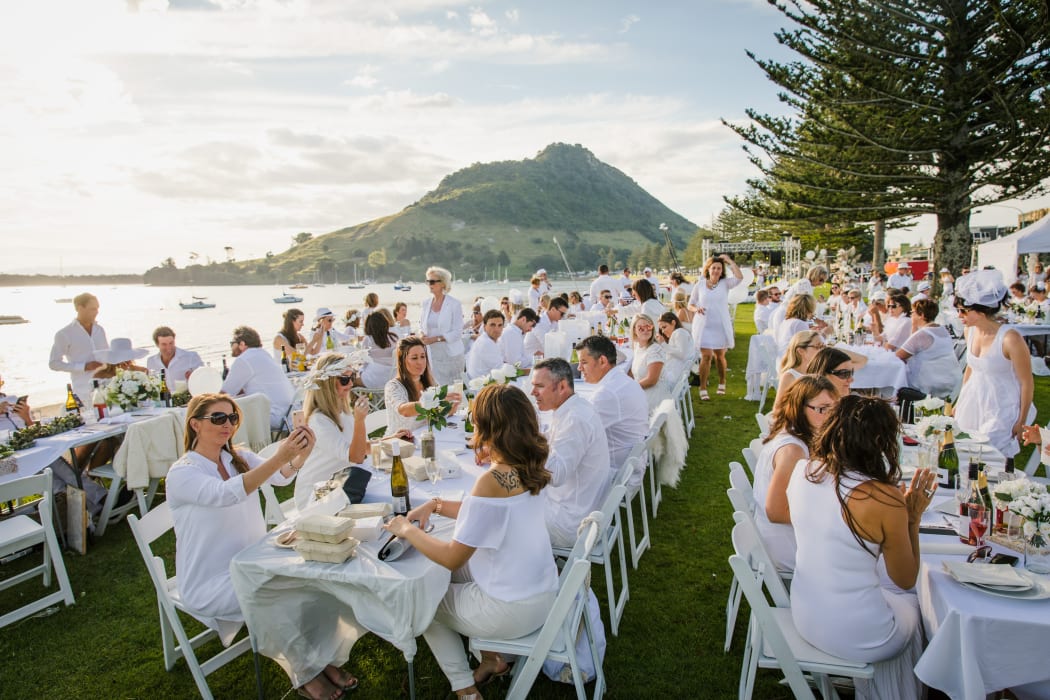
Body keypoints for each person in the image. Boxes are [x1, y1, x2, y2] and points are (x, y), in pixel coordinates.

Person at [166, 394, 359, 700]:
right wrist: (281, 456)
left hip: (253, 560)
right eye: (218, 418)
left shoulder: (236, 457)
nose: (227, 424)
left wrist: (302, 453)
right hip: (210, 579)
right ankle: (308, 673)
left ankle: (323, 660)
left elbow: (282, 477)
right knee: (275, 596)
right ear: (195, 424)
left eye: (232, 418)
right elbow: (225, 494)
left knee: (310, 582)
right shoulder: (183, 472)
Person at [383, 384, 558, 700]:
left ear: (491, 427)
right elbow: (487, 511)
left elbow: (452, 557)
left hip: (512, 609)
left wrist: (407, 530)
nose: (472, 425)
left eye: (475, 420)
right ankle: (492, 661)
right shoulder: (528, 464)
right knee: (441, 580)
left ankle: (465, 690)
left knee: (426, 598)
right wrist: (435, 504)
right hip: (543, 594)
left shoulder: (490, 481)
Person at [787, 395, 933, 700]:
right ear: (881, 441)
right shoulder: (883, 497)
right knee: (919, 606)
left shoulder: (803, 471)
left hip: (806, 615)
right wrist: (912, 518)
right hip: (861, 634)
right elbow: (905, 578)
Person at [752, 375, 837, 572]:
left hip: (790, 536)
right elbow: (775, 511)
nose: (831, 416)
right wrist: (830, 517)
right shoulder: (792, 450)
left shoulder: (799, 434)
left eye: (834, 409)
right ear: (799, 408)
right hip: (786, 547)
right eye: (822, 409)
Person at [0, 372, 108, 517]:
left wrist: (26, 417)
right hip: (8, 464)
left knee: (54, 462)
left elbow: (32, 433)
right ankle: (93, 507)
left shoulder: (10, 400)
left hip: (30, 452)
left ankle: (94, 503)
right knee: (50, 473)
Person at [953, 270, 1033, 461]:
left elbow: (1027, 382)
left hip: (1001, 405)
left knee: (991, 456)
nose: (959, 315)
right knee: (964, 453)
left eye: (963, 310)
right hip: (973, 400)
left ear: (980, 312)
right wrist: (959, 400)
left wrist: (1021, 420)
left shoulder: (1010, 338)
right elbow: (971, 368)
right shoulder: (969, 332)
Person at [529, 358, 611, 546]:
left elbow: (555, 475)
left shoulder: (575, 419)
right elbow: (552, 445)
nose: (533, 392)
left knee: (507, 512)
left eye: (539, 386)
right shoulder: (572, 408)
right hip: (579, 505)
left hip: (572, 522)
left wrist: (530, 435)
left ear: (563, 386)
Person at [294, 355, 369, 511]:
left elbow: (361, 448)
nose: (350, 384)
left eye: (352, 377)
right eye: (344, 380)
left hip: (342, 485)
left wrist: (392, 440)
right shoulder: (319, 421)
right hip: (316, 496)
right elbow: (356, 456)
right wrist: (360, 421)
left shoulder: (343, 411)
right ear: (327, 384)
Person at [575, 335, 647, 476]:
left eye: (584, 362)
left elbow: (578, 436)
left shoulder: (607, 394)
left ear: (602, 361)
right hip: (632, 463)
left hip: (617, 472)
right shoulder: (623, 380)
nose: (579, 368)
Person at [688, 254, 743, 400]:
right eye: (714, 268)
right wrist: (696, 309)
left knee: (720, 357)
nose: (716, 270)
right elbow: (690, 304)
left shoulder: (725, 283)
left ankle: (722, 381)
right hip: (704, 326)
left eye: (719, 268)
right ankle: (703, 386)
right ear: (708, 269)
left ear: (722, 270)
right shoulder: (699, 285)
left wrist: (730, 261)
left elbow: (739, 277)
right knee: (706, 357)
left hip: (720, 326)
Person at [221, 326, 295, 431]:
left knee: (226, 415)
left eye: (232, 343)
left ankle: (241, 446)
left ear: (242, 344)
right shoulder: (264, 355)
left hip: (273, 417)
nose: (231, 347)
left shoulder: (243, 360)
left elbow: (224, 394)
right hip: (289, 415)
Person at [384, 336, 460, 436]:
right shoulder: (393, 386)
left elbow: (436, 415)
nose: (420, 362)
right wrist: (432, 402)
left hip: (425, 438)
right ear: (402, 361)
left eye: (423, 356)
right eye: (414, 358)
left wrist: (451, 407)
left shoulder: (430, 382)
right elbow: (404, 410)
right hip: (400, 443)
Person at [49, 292, 108, 404]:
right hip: (84, 390)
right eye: (93, 309)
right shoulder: (65, 334)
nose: (97, 312)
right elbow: (53, 363)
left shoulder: (99, 330)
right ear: (80, 308)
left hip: (107, 385)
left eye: (97, 308)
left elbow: (108, 355)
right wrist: (84, 367)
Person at [895, 298, 961, 399]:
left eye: (912, 312)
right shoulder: (942, 330)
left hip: (927, 385)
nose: (911, 315)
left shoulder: (923, 334)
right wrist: (914, 325)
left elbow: (898, 356)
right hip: (948, 381)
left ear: (921, 315)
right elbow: (912, 344)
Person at [420, 266, 465, 384]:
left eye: (433, 281)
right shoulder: (425, 304)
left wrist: (435, 339)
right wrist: (421, 335)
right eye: (428, 281)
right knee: (436, 390)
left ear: (443, 284)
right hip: (432, 355)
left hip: (451, 355)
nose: (430, 284)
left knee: (454, 390)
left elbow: (457, 333)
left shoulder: (454, 304)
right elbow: (422, 326)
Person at [628, 314, 667, 409]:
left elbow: (652, 380)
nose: (645, 330)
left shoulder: (654, 350)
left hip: (652, 399)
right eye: (641, 328)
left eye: (648, 327)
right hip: (641, 392)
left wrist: (630, 388)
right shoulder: (638, 346)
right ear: (634, 330)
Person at [775, 330, 825, 398]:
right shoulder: (790, 377)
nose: (823, 350)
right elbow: (779, 407)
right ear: (801, 351)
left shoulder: (819, 371)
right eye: (818, 346)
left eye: (823, 346)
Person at [357, 310, 399, 388]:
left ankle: (363, 400)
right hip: (392, 377)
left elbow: (363, 362)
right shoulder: (394, 337)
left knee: (350, 381)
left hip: (373, 378)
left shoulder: (368, 339)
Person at [774, 294, 825, 358]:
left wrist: (811, 332)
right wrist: (823, 334)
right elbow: (808, 347)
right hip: (793, 360)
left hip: (783, 358)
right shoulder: (799, 323)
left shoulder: (787, 321)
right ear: (809, 308)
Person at [466, 310, 505, 380]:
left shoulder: (487, 340)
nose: (497, 329)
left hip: (486, 382)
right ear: (484, 327)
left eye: (500, 325)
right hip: (484, 387)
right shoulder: (486, 343)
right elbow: (501, 370)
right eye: (492, 325)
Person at [657, 312, 695, 381]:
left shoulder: (679, 332)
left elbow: (681, 354)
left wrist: (663, 344)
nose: (663, 331)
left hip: (675, 374)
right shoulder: (677, 333)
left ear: (673, 323)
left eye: (664, 327)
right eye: (661, 329)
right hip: (675, 372)